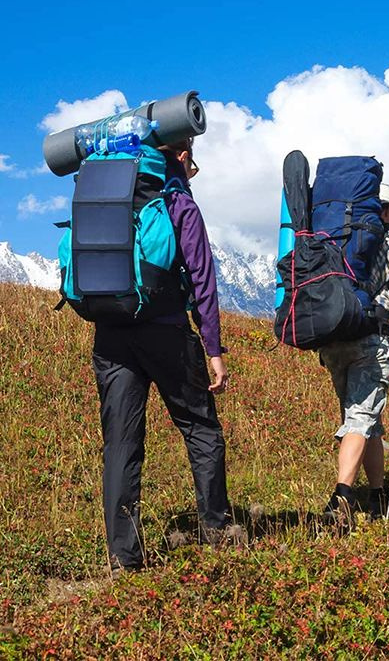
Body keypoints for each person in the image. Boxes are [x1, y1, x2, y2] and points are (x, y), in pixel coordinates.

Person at [93, 138, 231, 574]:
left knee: (121, 444)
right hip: (166, 331)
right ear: (183, 156)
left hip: (111, 334)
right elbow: (202, 280)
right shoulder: (178, 204)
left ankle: (124, 559)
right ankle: (216, 531)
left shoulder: (109, 196)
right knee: (201, 429)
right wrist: (213, 348)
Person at [319, 182, 389, 524]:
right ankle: (341, 500)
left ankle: (378, 497)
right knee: (360, 418)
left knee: (368, 420)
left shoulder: (336, 233)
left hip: (332, 335)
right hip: (369, 335)